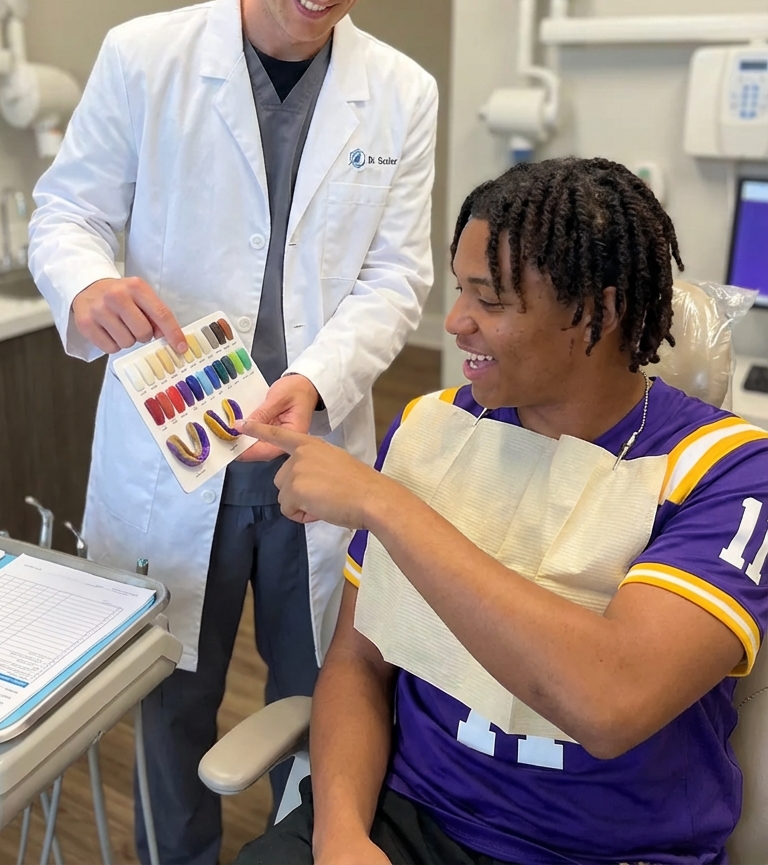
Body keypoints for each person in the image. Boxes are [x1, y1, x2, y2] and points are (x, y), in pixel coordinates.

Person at [27, 0, 438, 865]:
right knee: (170, 711)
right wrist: (86, 286)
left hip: (311, 453)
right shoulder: (144, 58)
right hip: (173, 459)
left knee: (326, 704)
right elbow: (66, 214)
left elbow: (398, 276)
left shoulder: (402, 94)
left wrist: (319, 378)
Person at [237, 157, 768, 865]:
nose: (456, 322)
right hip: (411, 818)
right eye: (459, 289)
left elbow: (612, 704)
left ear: (600, 312)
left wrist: (384, 503)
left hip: (606, 851)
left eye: (489, 300)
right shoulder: (431, 428)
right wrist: (341, 837)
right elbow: (358, 664)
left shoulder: (727, 470)